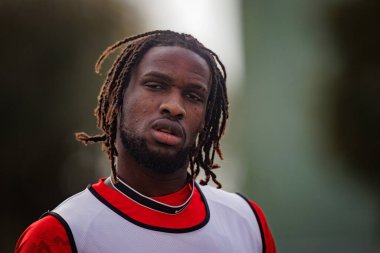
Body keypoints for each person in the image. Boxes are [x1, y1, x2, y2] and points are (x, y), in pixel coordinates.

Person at [15, 30, 276, 253]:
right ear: (119, 99)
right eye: (155, 85)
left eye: (193, 96)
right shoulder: (61, 234)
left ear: (206, 119)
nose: (174, 107)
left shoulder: (247, 222)